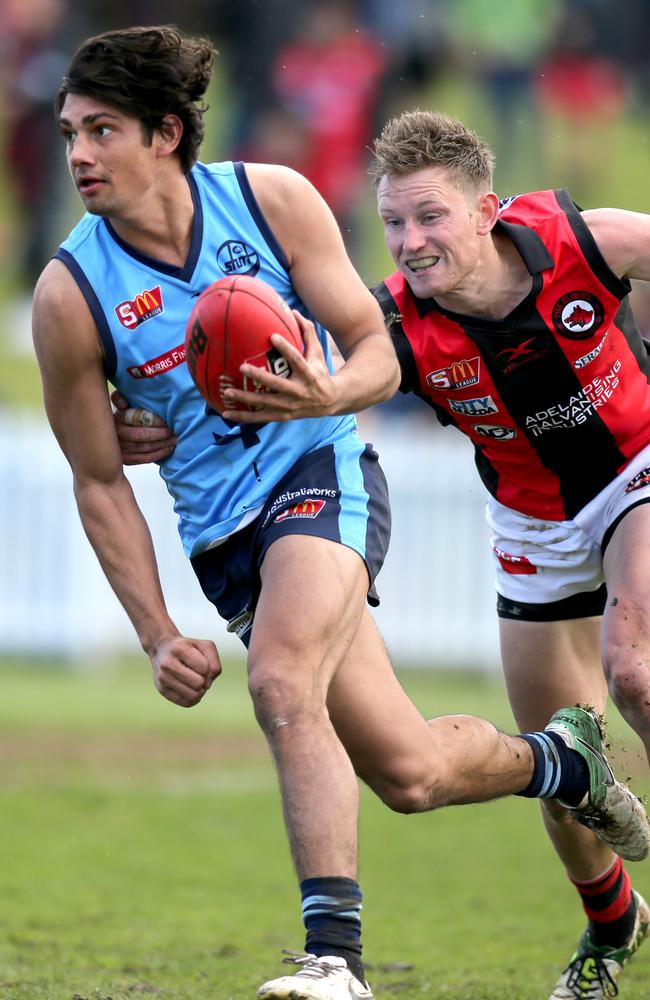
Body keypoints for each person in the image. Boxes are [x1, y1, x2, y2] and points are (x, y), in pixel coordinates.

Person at [33, 29, 649, 1000]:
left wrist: (323, 399)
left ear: (164, 135)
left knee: (294, 678)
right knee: (409, 775)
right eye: (68, 131)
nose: (75, 153)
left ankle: (332, 958)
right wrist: (156, 622)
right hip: (375, 533)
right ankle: (578, 821)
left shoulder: (278, 200)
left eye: (99, 131)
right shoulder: (74, 295)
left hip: (451, 475)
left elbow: (354, 354)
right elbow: (110, 469)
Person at [368, 109, 650, 1000]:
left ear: (486, 209)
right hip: (531, 525)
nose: (411, 242)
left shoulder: (582, 240)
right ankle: (613, 924)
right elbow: (322, 379)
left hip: (638, 466)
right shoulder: (397, 327)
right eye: (394, 223)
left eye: (430, 217)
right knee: (566, 766)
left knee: (634, 669)